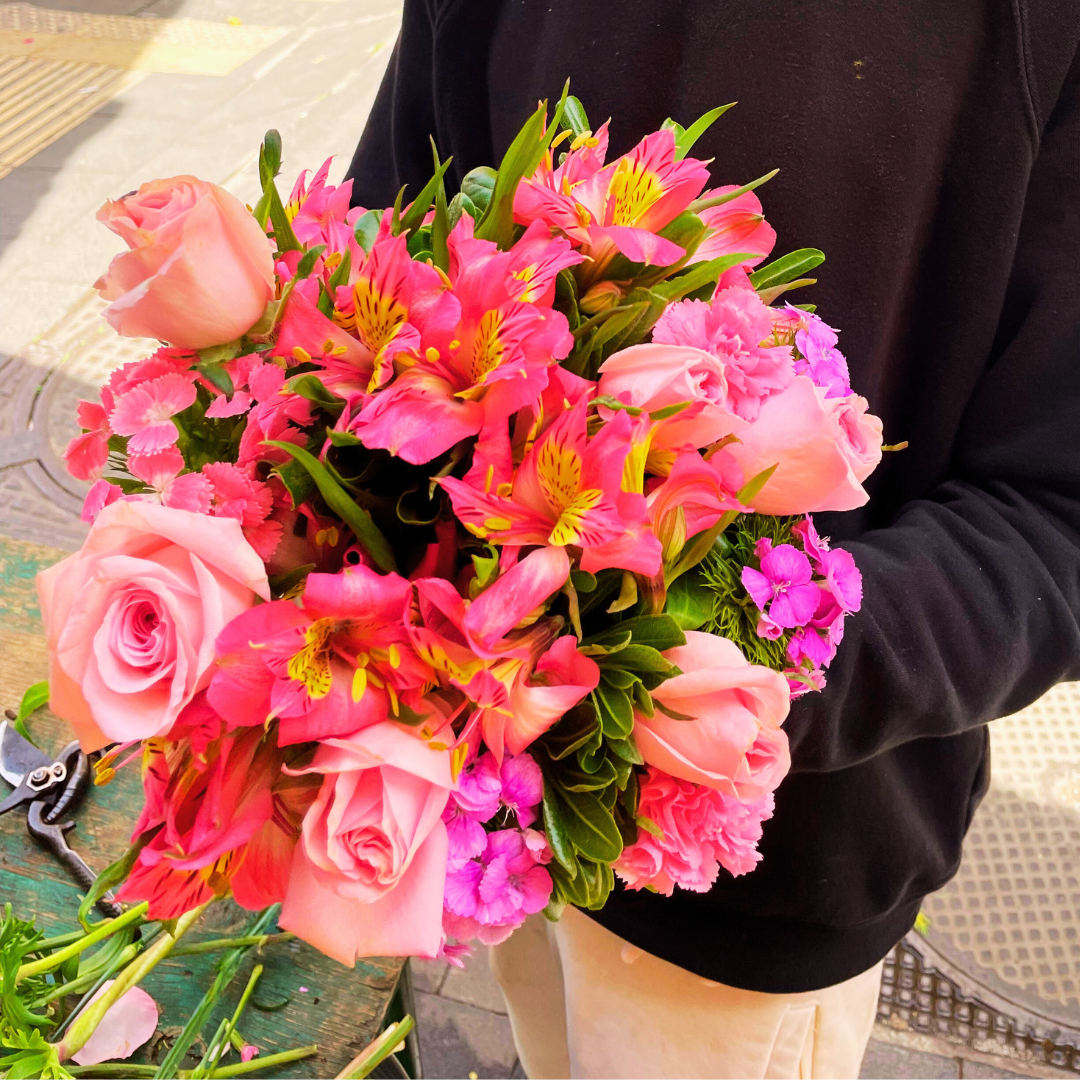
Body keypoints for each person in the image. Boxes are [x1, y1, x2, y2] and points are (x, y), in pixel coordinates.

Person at [345, 3, 1080, 1076]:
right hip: (477, 797)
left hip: (761, 880)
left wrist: (718, 685)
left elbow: (1055, 510)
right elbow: (383, 232)